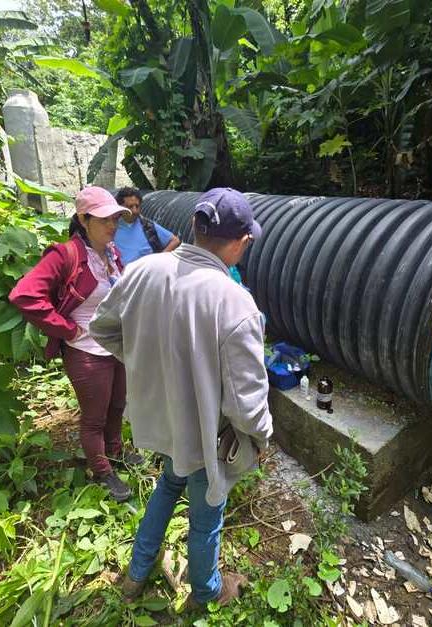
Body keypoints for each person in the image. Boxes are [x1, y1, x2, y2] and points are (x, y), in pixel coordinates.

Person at [90, 187, 273, 610]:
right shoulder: (235, 302)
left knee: (170, 482)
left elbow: (102, 329)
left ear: (194, 226)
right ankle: (208, 590)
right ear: (242, 241)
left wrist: (144, 363)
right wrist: (262, 439)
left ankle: (136, 574)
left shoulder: (142, 272)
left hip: (160, 419)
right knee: (207, 511)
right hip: (205, 433)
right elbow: (246, 403)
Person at [8, 186, 141, 503]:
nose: (113, 226)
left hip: (115, 346)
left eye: (116, 219)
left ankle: (114, 452)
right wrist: (67, 329)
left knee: (118, 405)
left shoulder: (112, 253)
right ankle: (102, 470)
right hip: (86, 351)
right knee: (94, 416)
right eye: (105, 219)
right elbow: (24, 295)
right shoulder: (65, 254)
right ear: (83, 219)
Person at [113, 187, 181, 265]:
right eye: (130, 207)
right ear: (120, 207)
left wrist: (158, 260)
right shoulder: (112, 226)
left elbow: (175, 241)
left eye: (137, 206)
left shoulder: (147, 226)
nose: (135, 211)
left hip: (144, 275)